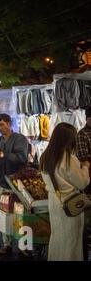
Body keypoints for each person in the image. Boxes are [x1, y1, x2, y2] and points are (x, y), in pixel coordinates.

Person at [40, 123, 90, 261]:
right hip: (71, 202)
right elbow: (82, 182)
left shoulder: (45, 156)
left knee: (57, 236)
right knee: (71, 240)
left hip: (54, 201)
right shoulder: (69, 158)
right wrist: (85, 167)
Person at [0, 113, 28, 256]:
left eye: (2, 125)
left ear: (9, 124)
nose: (0, 128)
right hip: (1, 184)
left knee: (21, 216)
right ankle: (7, 244)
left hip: (18, 186)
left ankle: (24, 247)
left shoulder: (20, 139)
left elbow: (22, 158)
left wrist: (3, 155)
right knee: (4, 215)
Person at [75, 107, 91, 260]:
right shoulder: (82, 134)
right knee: (86, 223)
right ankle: (83, 254)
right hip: (88, 182)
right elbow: (83, 158)